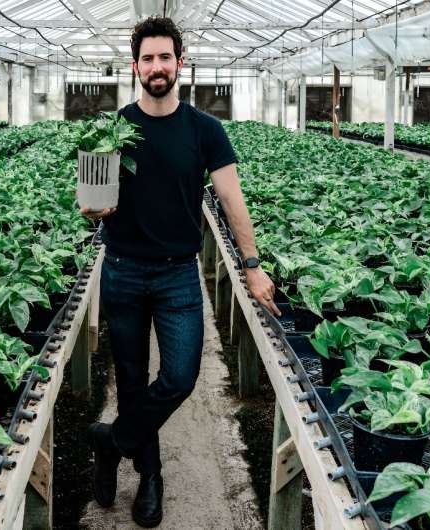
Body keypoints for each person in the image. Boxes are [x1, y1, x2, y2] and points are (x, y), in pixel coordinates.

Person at [80, 16, 280, 528]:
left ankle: (111, 441)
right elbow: (91, 194)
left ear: (179, 63)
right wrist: (93, 206)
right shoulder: (112, 129)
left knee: (179, 376)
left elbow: (232, 199)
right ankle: (150, 477)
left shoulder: (204, 129)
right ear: (135, 67)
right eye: (147, 59)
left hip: (178, 275)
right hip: (123, 269)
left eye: (164, 57)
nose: (156, 67)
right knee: (129, 380)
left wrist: (252, 265)